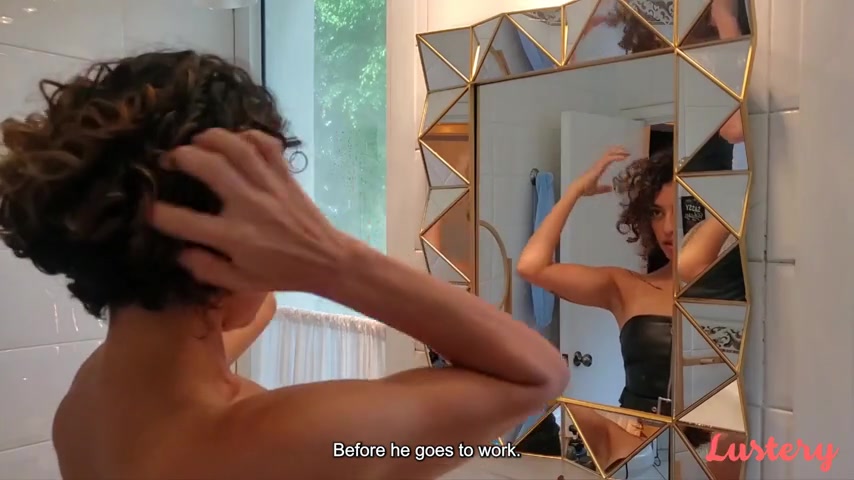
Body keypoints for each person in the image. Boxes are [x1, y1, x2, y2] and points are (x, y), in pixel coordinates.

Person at [0, 50, 568, 479]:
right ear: (221, 252)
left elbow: (258, 308)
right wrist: (331, 259)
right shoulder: (285, 443)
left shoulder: (93, 397)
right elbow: (537, 376)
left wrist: (255, 264)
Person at [516, 146, 741, 474]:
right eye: (656, 212)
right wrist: (576, 190)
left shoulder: (741, 291)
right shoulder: (626, 286)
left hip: (717, 450)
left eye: (679, 211)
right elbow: (532, 267)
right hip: (637, 448)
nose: (667, 228)